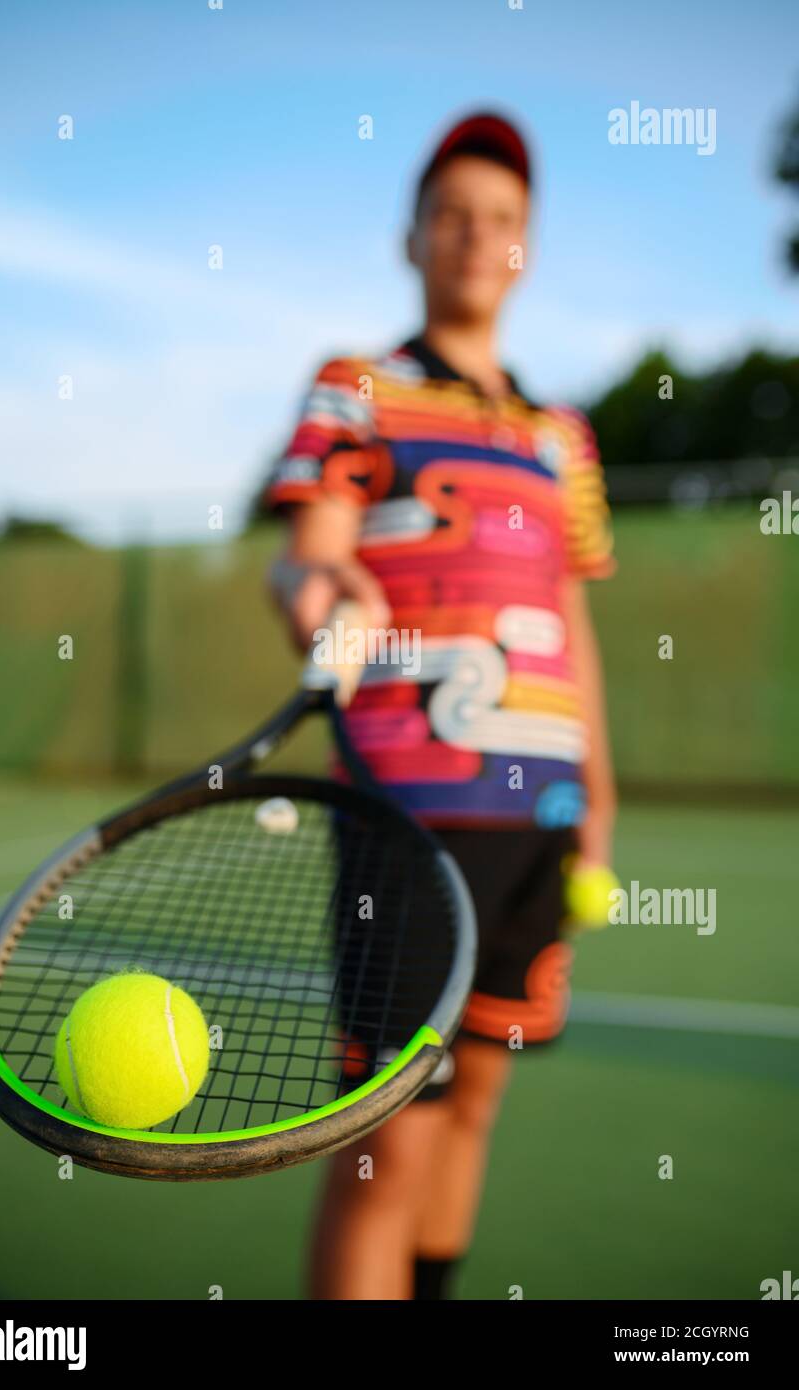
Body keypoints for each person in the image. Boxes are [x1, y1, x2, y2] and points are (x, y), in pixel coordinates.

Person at [265, 111, 617, 1301]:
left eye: (503, 221)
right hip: (407, 822)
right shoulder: (355, 387)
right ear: (412, 237)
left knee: (473, 1102)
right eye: (455, 214)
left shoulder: (562, 436)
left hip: (540, 818)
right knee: (386, 1141)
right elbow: (307, 559)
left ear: (526, 248)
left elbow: (574, 629)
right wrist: (328, 598)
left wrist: (598, 811)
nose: (478, 237)